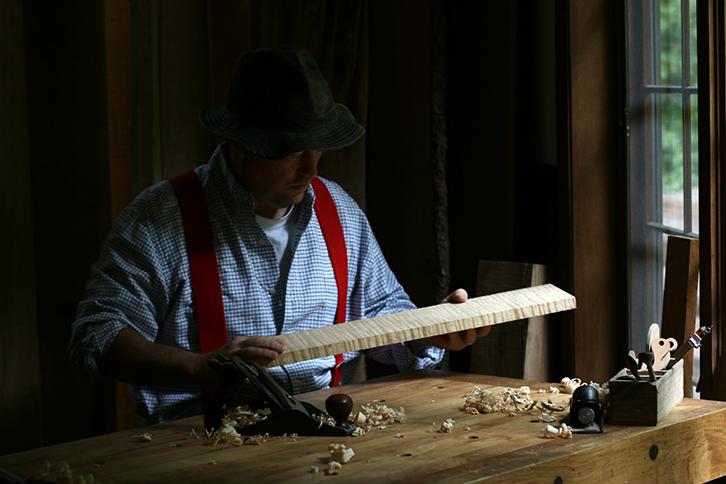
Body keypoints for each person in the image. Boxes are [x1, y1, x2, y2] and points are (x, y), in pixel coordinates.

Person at [69, 47, 489, 424]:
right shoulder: (160, 219)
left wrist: (428, 330)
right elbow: (98, 334)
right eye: (291, 151)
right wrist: (198, 368)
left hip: (328, 433)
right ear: (244, 142)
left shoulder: (337, 210)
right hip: (202, 443)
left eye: (318, 147)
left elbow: (382, 310)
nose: (310, 168)